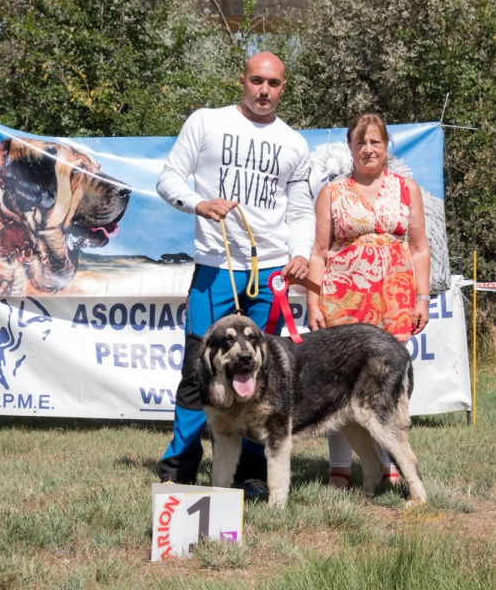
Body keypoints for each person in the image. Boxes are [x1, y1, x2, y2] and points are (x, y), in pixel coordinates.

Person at [156, 52, 316, 495]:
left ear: (284, 87)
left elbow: (302, 209)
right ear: (241, 80)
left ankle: (250, 475)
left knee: (259, 376)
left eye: (275, 83)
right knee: (197, 373)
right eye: (257, 80)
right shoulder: (206, 122)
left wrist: (300, 252)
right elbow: (168, 179)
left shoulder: (294, 144)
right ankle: (180, 470)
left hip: (270, 275)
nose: (265, 91)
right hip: (215, 267)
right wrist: (198, 204)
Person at [306, 113, 431, 489]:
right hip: (343, 300)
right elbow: (318, 250)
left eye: (375, 142)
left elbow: (420, 248)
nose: (368, 149)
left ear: (386, 146)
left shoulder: (407, 189)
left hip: (394, 300)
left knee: (384, 386)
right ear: (350, 147)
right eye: (360, 142)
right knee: (340, 385)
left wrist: (422, 298)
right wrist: (314, 303)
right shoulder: (332, 191)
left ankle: (390, 464)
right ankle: (340, 468)